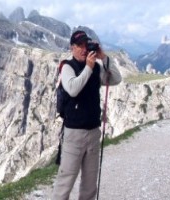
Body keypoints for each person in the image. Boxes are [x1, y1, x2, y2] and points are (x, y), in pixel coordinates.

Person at [51, 30, 122, 200]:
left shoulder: (96, 68)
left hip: (93, 132)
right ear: (72, 47)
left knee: (90, 184)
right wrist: (89, 68)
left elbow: (116, 79)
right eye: (80, 45)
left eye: (86, 45)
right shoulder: (67, 66)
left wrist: (103, 57)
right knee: (65, 182)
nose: (84, 49)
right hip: (74, 134)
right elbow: (73, 89)